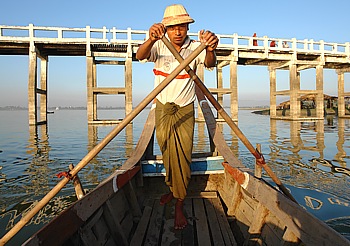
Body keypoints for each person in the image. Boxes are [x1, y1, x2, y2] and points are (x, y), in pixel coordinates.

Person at [136, 4, 218, 230]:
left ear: (187, 27)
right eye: (173, 28)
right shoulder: (159, 44)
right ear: (166, 28)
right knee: (167, 151)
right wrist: (151, 39)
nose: (178, 32)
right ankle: (172, 190)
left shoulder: (195, 47)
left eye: (181, 26)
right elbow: (140, 55)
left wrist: (210, 48)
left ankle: (180, 201)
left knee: (182, 155)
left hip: (184, 108)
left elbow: (210, 64)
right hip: (163, 107)